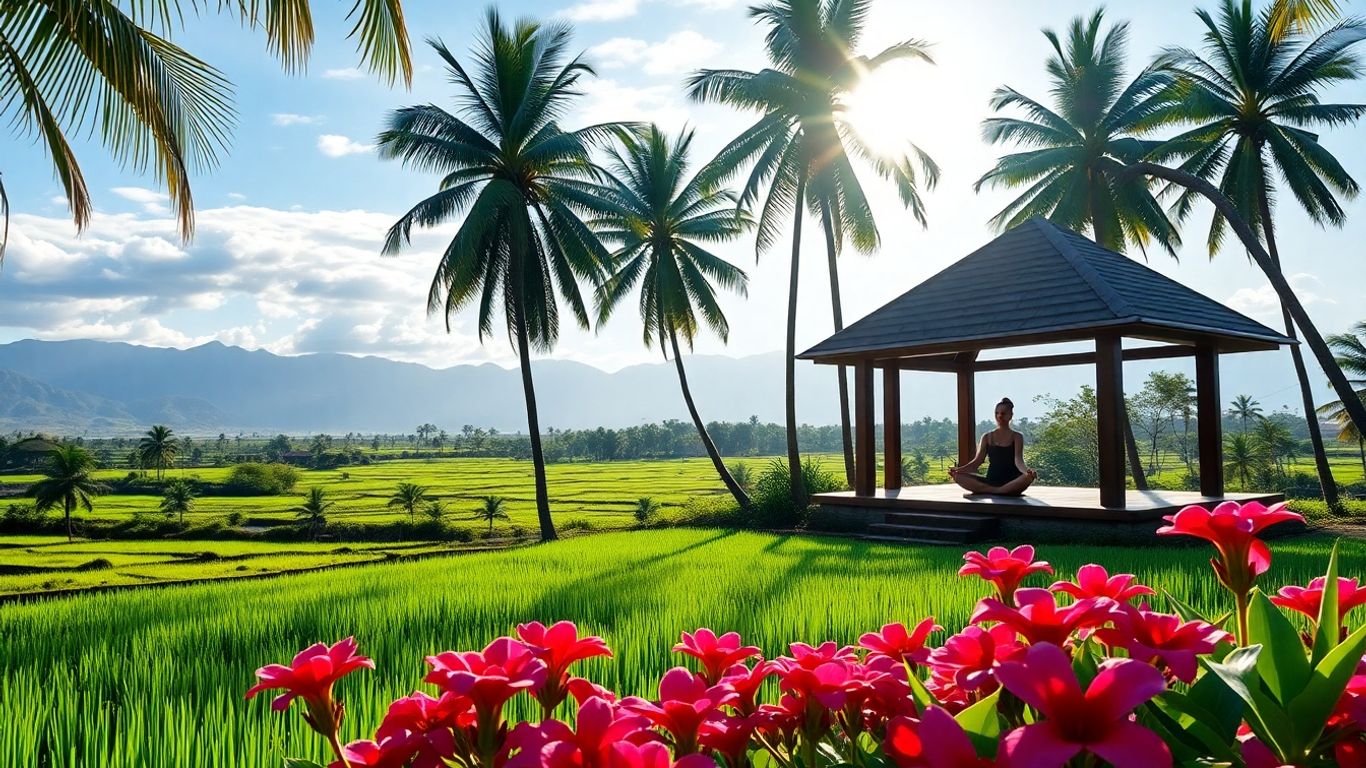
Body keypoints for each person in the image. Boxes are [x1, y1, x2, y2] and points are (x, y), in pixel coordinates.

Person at [948, 397, 1038, 496]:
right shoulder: (987, 437)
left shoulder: (1017, 436)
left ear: (1010, 415)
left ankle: (991, 490)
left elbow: (1018, 460)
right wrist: (958, 470)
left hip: (1012, 481)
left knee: (1028, 477)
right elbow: (977, 461)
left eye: (1003, 413)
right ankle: (1001, 491)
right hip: (991, 480)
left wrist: (1027, 471)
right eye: (997, 413)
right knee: (958, 476)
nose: (999, 416)